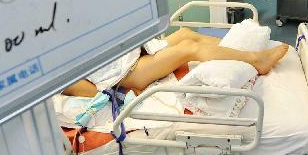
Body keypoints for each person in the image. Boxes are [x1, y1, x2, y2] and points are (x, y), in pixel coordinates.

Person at [63, 27, 289, 97]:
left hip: (135, 54)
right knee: (189, 48)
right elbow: (90, 91)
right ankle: (256, 61)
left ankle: (238, 51)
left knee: (185, 33)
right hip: (132, 72)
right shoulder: (58, 76)